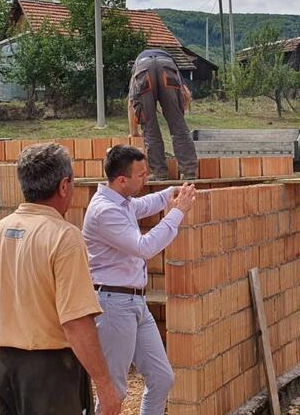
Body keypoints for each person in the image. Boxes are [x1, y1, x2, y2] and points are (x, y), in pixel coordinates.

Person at [0, 143, 121, 415]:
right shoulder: (64, 237)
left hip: (9, 367)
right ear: (64, 186)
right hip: (52, 374)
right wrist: (105, 386)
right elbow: (76, 322)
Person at [82, 145, 197, 415]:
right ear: (122, 180)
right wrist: (177, 212)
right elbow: (144, 247)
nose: (146, 178)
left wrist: (172, 194)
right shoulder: (105, 212)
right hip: (112, 305)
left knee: (161, 378)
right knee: (114, 392)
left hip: (134, 302)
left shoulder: (121, 202)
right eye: (142, 174)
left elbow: (143, 204)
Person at [126, 48, 198, 181]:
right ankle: (189, 173)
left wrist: (134, 132)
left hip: (143, 68)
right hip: (167, 66)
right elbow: (186, 94)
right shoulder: (172, 64)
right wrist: (178, 115)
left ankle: (159, 173)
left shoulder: (136, 68)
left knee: (149, 126)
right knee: (178, 127)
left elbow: (131, 103)